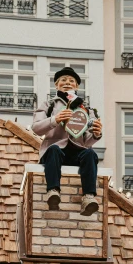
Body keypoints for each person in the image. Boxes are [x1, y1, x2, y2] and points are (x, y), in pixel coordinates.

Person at [31, 67, 103, 215]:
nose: (67, 83)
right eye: (63, 80)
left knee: (90, 154)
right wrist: (54, 120)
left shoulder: (87, 110)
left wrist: (96, 134)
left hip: (77, 152)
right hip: (54, 151)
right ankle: (53, 191)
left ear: (76, 86)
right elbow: (36, 128)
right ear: (56, 85)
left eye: (71, 81)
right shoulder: (48, 105)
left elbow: (86, 141)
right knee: (54, 149)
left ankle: (89, 197)